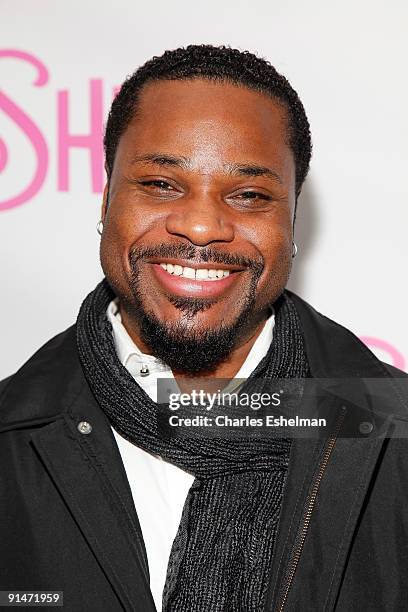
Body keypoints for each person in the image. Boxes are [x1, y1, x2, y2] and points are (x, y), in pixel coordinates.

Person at [0, 44, 407, 612]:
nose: (200, 225)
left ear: (292, 223)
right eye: (161, 184)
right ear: (106, 199)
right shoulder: (13, 433)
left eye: (249, 195)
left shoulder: (393, 436)